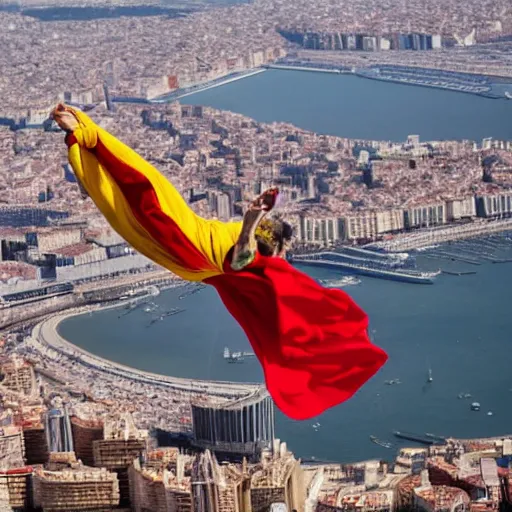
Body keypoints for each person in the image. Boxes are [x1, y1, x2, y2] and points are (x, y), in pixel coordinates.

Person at [52, 104, 388, 420]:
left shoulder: (246, 258)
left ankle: (85, 137)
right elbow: (249, 250)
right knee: (128, 195)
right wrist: (256, 219)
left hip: (183, 239)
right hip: (185, 252)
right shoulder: (253, 263)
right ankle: (83, 142)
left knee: (140, 184)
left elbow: (243, 250)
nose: (286, 257)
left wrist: (252, 218)